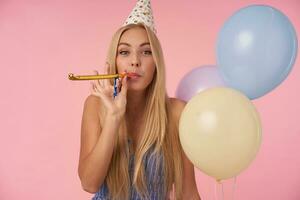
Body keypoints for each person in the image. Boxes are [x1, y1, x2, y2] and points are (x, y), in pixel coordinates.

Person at [78, 1, 201, 200]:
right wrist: (113, 118)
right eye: (124, 52)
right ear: (114, 61)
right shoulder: (95, 106)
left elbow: (188, 192)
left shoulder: (178, 113)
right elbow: (89, 183)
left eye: (146, 51)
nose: (135, 61)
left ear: (157, 62)